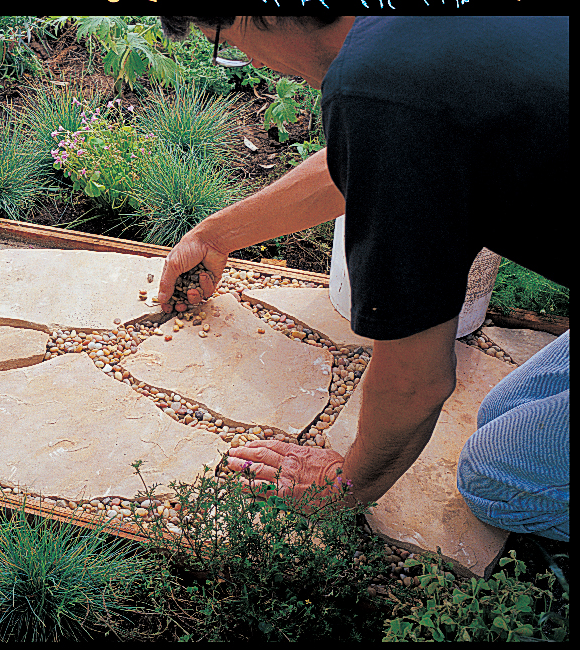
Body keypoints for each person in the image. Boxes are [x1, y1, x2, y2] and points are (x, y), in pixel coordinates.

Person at [156, 16, 569, 541]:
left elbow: (417, 383)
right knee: (507, 411)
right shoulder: (401, 37)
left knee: (496, 476)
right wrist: (217, 235)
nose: (251, 62)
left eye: (228, 44)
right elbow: (385, 149)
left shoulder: (377, 86)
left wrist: (343, 485)